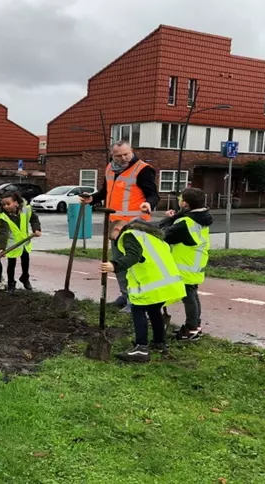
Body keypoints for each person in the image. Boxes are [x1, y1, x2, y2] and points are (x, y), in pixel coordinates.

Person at [81, 141, 159, 312]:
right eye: (119, 155)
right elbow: (105, 191)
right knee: (118, 262)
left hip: (135, 225)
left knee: (133, 263)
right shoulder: (110, 168)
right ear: (112, 155)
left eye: (126, 154)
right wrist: (92, 199)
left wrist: (148, 204)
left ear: (132, 151)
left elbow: (154, 194)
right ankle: (126, 295)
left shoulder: (144, 169)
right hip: (115, 224)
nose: (124, 158)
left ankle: (137, 301)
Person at [100, 219, 186, 363]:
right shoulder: (150, 237)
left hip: (150, 284)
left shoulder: (129, 234)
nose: (115, 243)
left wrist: (115, 265)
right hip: (167, 283)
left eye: (113, 239)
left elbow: (133, 255)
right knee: (154, 310)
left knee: (137, 309)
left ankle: (141, 348)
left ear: (116, 230)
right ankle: (159, 343)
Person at [159, 187, 213, 341]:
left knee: (189, 297)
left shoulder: (186, 222)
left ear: (185, 203)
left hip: (186, 265)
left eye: (181, 200)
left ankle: (192, 329)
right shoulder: (201, 217)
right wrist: (175, 217)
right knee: (192, 295)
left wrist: (167, 220)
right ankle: (195, 325)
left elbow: (164, 235)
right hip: (195, 262)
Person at [0, 192, 42, 295]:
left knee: (25, 261)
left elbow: (34, 219)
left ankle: (25, 277)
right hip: (12, 244)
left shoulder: (26, 209)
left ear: (16, 203)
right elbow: (3, 233)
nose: (6, 207)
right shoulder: (3, 217)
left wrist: (37, 229)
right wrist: (2, 248)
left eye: (8, 204)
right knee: (11, 264)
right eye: (3, 205)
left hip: (25, 242)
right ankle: (11, 283)